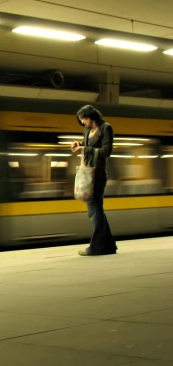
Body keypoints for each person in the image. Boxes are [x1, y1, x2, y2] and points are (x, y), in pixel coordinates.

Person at [71, 105, 117, 256]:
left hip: (97, 173)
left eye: (83, 119)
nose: (83, 122)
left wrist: (85, 149)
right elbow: (86, 146)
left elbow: (106, 151)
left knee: (94, 211)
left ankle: (96, 247)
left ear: (90, 116)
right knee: (97, 209)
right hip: (87, 172)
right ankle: (109, 245)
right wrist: (78, 145)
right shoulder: (86, 131)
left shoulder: (106, 128)